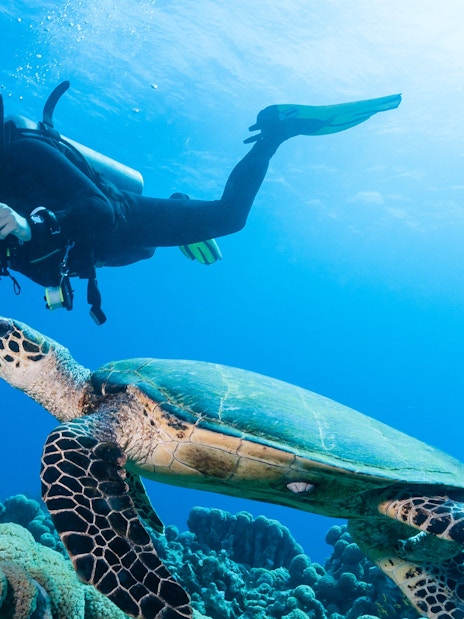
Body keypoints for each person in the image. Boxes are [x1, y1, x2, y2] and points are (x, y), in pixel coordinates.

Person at [0, 82, 401, 323]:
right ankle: (177, 209)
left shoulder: (23, 154)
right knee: (144, 252)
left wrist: (29, 226)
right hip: (93, 252)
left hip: (119, 216)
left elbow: (100, 212)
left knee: (228, 218)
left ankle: (279, 129)